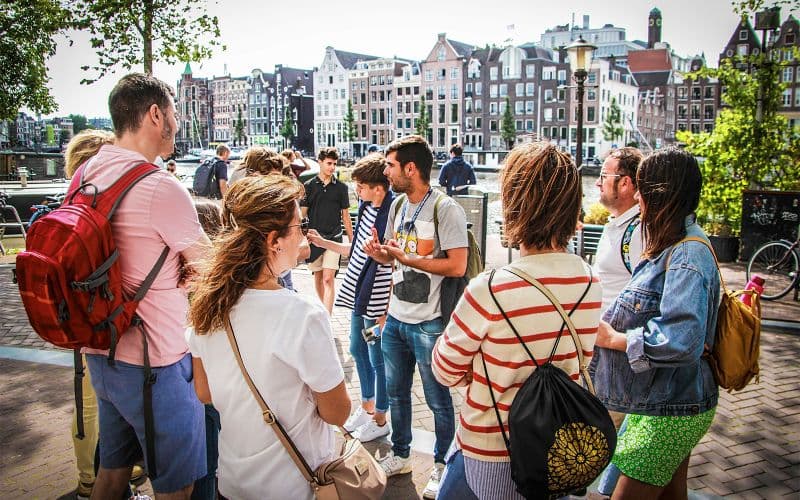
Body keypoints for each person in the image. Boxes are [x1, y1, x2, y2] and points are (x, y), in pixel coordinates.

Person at [431, 142, 603, 499]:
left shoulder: (489, 290)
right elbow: (581, 359)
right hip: (557, 446)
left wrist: (482, 371)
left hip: (492, 447)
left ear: (513, 205)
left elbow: (444, 370)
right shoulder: (589, 281)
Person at [80, 73, 210, 500]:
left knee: (112, 474)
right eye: (173, 112)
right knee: (177, 486)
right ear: (155, 114)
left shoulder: (85, 173)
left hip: (101, 348)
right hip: (156, 364)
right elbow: (210, 267)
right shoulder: (159, 187)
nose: (176, 122)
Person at [188, 175, 351, 500]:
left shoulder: (205, 305)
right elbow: (337, 412)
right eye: (299, 227)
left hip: (233, 481)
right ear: (275, 240)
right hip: (294, 485)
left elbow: (204, 392)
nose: (303, 236)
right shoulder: (303, 316)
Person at [593, 148, 720, 499]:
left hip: (672, 408)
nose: (636, 196)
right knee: (670, 494)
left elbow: (680, 340)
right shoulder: (675, 244)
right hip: (666, 401)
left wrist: (615, 338)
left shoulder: (685, 255)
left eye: (642, 189)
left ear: (658, 194)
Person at [363, 134, 467, 499]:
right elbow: (394, 258)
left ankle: (442, 463)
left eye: (390, 165)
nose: (385, 172)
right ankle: (402, 454)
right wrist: (381, 254)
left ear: (411, 168)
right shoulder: (396, 207)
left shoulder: (446, 209)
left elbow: (457, 265)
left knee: (438, 398)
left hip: (429, 320)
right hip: (396, 318)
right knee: (397, 392)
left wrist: (408, 259)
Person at [63, 129, 147, 499]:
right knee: (103, 403)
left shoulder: (69, 204)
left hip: (76, 320)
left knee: (89, 402)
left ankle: (90, 477)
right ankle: (101, 476)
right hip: (106, 322)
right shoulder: (100, 208)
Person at [306, 153, 393, 443]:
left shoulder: (390, 213)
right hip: (359, 293)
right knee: (357, 347)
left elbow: (394, 261)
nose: (357, 191)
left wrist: (386, 309)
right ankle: (367, 405)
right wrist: (323, 242)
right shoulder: (367, 207)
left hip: (376, 297)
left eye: (361, 186)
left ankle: (381, 415)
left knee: (375, 354)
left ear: (378, 188)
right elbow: (354, 249)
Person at [591, 146, 644, 498]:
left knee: (604, 440)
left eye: (604, 176)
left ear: (625, 183)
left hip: (619, 361)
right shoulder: (619, 225)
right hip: (604, 353)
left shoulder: (637, 232)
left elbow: (648, 298)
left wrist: (619, 340)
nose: (597, 182)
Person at [301, 147, 353, 314]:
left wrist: (352, 241)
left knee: (328, 278)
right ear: (320, 162)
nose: (332, 167)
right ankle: (323, 312)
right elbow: (302, 215)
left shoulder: (341, 188)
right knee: (318, 277)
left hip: (334, 238)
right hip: (314, 239)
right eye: (329, 163)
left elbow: (345, 217)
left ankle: (327, 318)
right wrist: (301, 238)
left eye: (334, 164)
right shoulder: (308, 186)